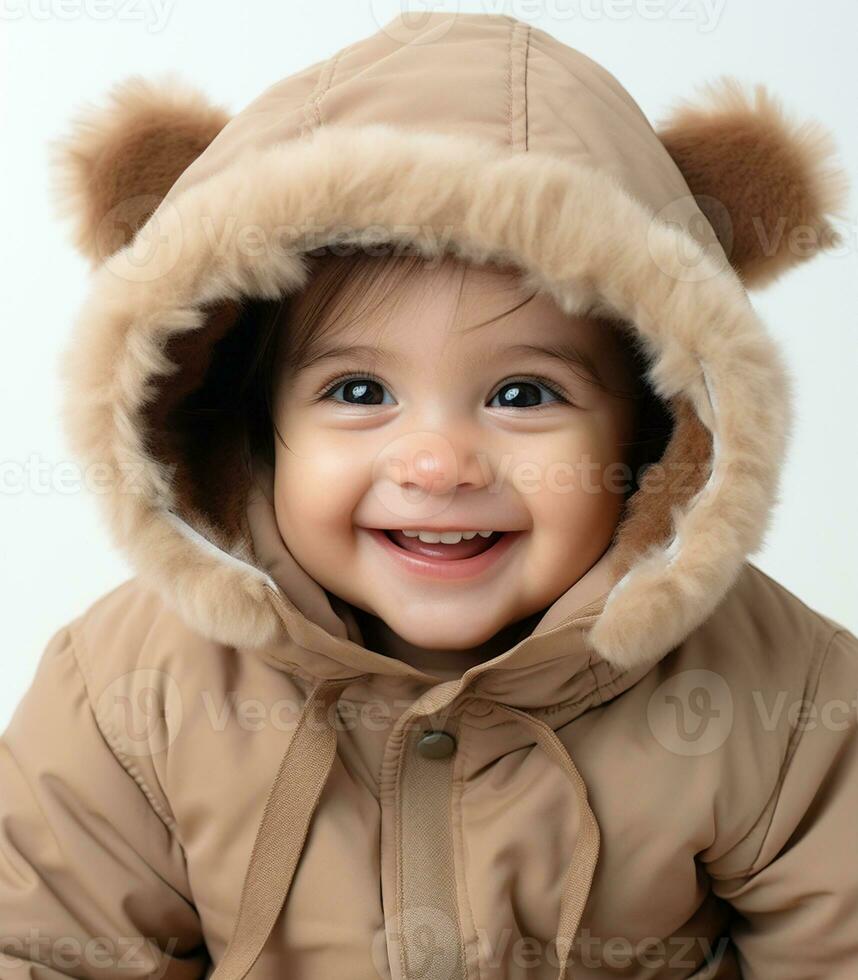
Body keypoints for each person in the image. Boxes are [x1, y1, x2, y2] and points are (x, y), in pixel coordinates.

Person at [2, 12, 855, 979]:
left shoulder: (781, 694)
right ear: (250, 432)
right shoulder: (131, 695)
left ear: (655, 435)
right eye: (359, 392)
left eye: (523, 394)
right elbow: (47, 948)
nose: (438, 463)